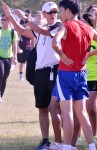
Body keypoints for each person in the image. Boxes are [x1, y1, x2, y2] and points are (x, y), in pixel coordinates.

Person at [52, 0, 97, 150]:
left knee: (67, 113)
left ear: (67, 11)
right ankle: (91, 146)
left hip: (66, 73)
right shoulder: (88, 27)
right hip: (82, 74)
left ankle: (67, 147)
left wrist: (61, 54)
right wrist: (90, 52)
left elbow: (54, 42)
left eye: (61, 11)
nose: (60, 14)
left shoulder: (66, 25)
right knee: (82, 112)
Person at [2, 2, 62, 150]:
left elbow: (44, 31)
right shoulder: (39, 29)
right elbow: (22, 31)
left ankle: (60, 143)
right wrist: (11, 17)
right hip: (40, 71)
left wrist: (23, 17)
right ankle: (45, 140)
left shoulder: (59, 25)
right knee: (42, 108)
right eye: (50, 12)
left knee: (54, 109)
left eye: (55, 11)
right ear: (44, 13)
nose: (53, 14)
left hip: (54, 70)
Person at [81, 11, 97, 146]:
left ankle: (94, 135)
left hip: (91, 76)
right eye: (81, 22)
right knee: (78, 109)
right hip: (77, 76)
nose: (82, 24)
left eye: (85, 22)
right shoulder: (76, 37)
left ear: (91, 25)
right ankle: (79, 135)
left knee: (91, 108)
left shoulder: (96, 39)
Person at [0, 13, 18, 102]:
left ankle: (1, 95)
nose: (2, 21)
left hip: (9, 57)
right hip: (0, 57)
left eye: (4, 20)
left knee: (5, 77)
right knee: (1, 73)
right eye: (1, 20)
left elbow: (14, 45)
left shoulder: (13, 32)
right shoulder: (0, 30)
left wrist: (15, 57)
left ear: (9, 21)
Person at [17, 9, 34, 81]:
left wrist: (33, 47)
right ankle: (21, 75)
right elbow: (19, 33)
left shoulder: (32, 23)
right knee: (22, 62)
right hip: (22, 44)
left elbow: (33, 36)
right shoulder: (21, 22)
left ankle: (29, 75)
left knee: (30, 62)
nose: (27, 16)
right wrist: (18, 45)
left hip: (29, 45)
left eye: (28, 14)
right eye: (26, 14)